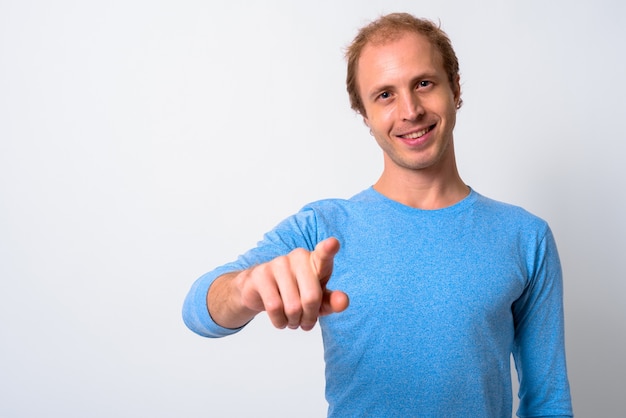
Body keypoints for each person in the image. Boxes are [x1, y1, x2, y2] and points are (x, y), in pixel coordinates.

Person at [183, 12, 573, 417]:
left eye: (423, 83)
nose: (410, 110)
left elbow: (548, 402)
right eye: (384, 95)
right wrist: (246, 289)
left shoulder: (525, 237)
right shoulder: (323, 227)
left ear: (455, 87)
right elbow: (198, 310)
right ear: (364, 114)